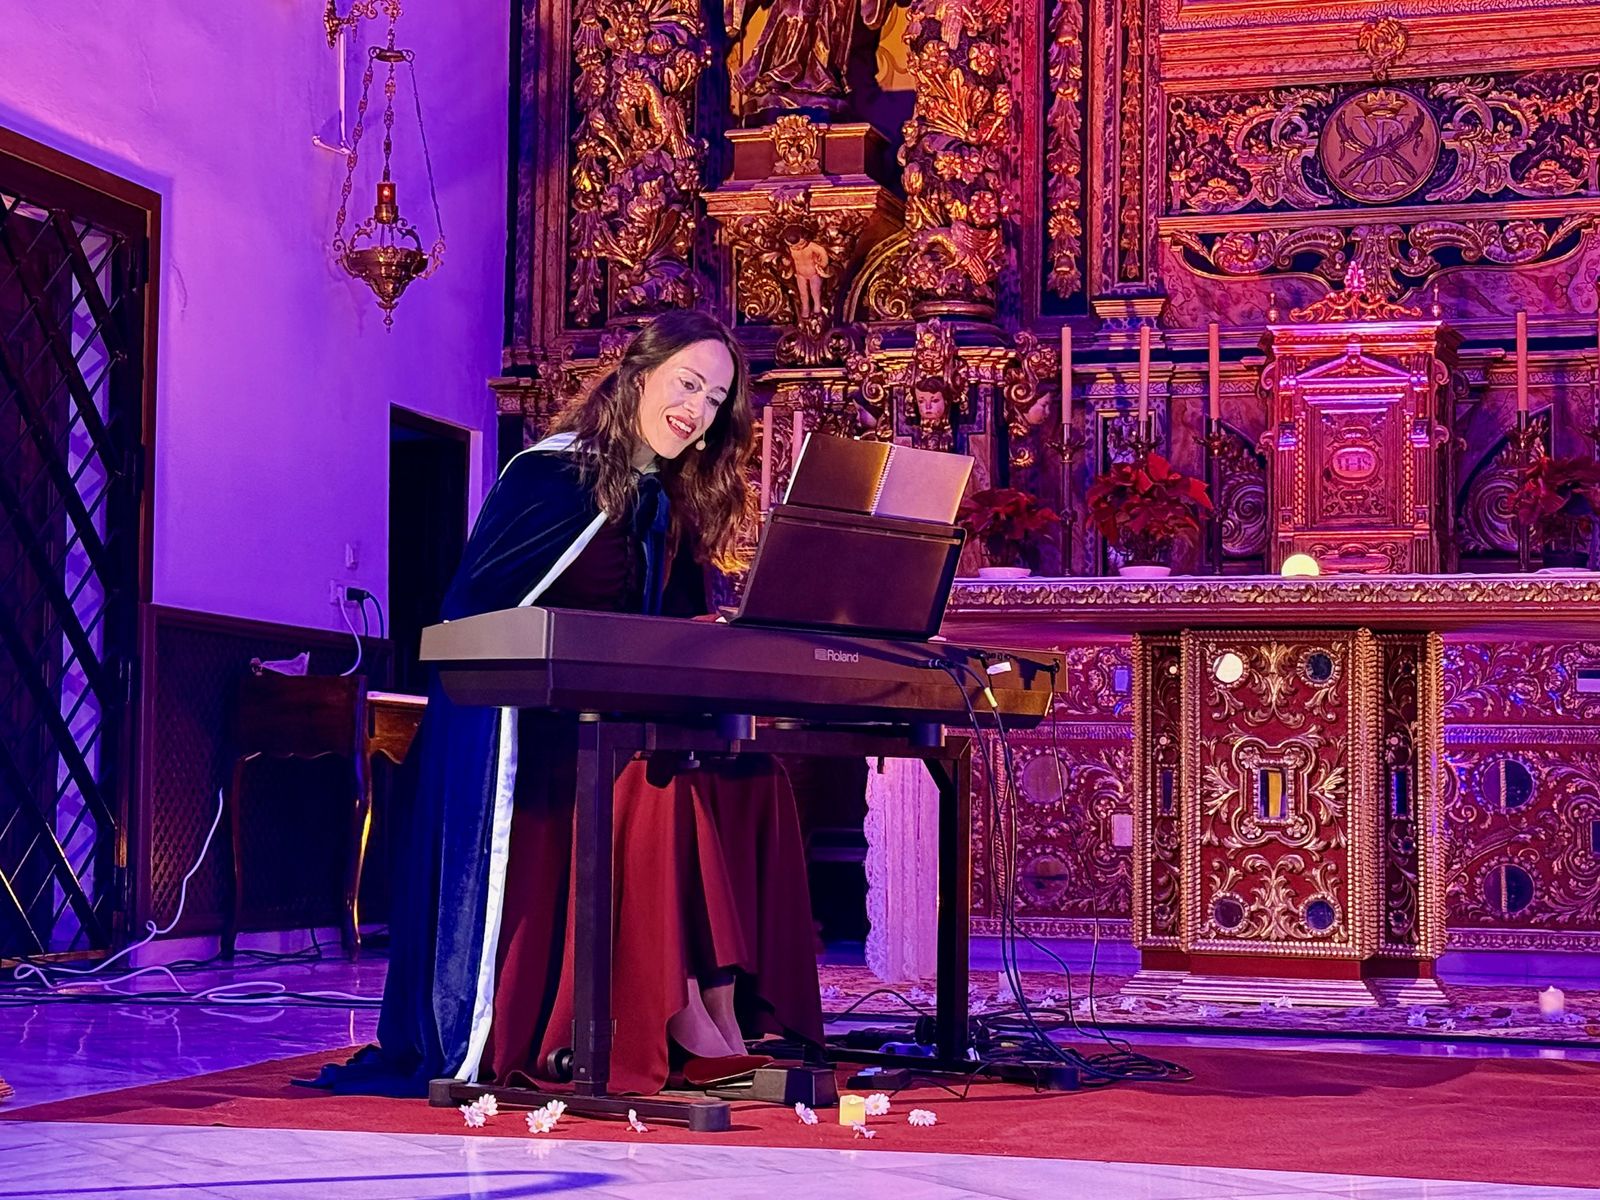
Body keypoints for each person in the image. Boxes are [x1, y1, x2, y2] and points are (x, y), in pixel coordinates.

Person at [321, 309, 823, 1096]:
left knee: (750, 777)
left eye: (717, 398)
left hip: (604, 718)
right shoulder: (551, 476)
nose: (698, 409)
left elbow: (672, 634)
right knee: (661, 782)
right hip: (522, 728)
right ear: (638, 375)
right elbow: (479, 617)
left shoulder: (666, 501)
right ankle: (677, 1012)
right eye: (687, 384)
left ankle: (734, 1015)